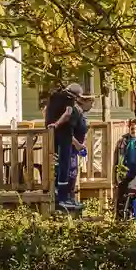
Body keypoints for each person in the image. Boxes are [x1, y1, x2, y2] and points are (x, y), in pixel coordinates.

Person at [48, 84, 89, 214]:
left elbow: (45, 111)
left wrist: (50, 124)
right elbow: (67, 114)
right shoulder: (69, 100)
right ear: (75, 95)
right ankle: (63, 197)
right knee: (64, 167)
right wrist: (56, 124)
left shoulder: (55, 97)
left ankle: (58, 193)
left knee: (57, 164)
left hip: (52, 136)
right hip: (64, 135)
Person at [113, 119, 136, 220]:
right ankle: (120, 220)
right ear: (129, 129)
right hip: (124, 174)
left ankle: (135, 219)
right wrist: (114, 177)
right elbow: (115, 160)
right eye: (132, 129)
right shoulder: (122, 143)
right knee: (122, 198)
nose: (134, 131)